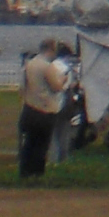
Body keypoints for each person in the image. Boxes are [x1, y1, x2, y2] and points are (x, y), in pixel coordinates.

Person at [17, 39, 67, 179]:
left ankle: (24, 172)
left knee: (29, 143)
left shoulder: (30, 64)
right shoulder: (47, 66)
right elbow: (56, 87)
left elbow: (22, 87)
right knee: (42, 144)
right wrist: (63, 80)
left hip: (30, 107)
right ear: (51, 49)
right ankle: (37, 172)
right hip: (45, 109)